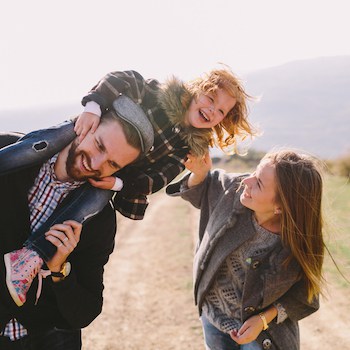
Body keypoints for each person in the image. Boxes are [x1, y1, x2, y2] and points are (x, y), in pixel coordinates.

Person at [0, 96, 154, 349]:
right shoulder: (8, 151)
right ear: (85, 124)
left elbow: (85, 312)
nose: (95, 164)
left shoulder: (99, 219)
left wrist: (61, 270)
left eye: (112, 164)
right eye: (99, 146)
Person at [166, 149, 326, 350]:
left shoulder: (298, 242)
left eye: (258, 183)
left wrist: (262, 320)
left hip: (263, 336)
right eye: (254, 173)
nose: (246, 181)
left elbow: (306, 296)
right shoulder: (233, 190)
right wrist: (199, 174)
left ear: (281, 207)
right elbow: (203, 190)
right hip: (213, 316)